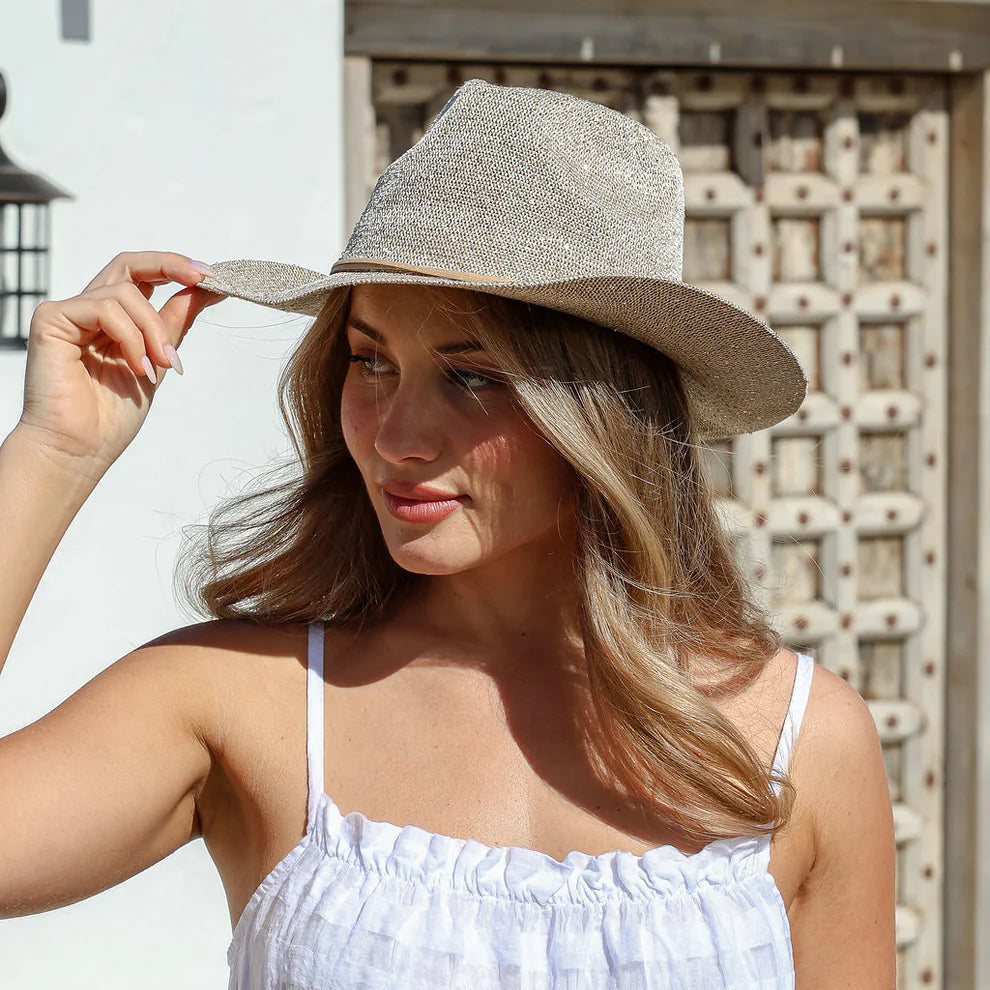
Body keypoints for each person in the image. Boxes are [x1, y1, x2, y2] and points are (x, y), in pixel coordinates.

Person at [0, 78, 895, 987]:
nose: (395, 437)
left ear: (605, 413)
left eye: (472, 377)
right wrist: (55, 451)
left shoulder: (800, 742)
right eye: (370, 361)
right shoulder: (244, 701)